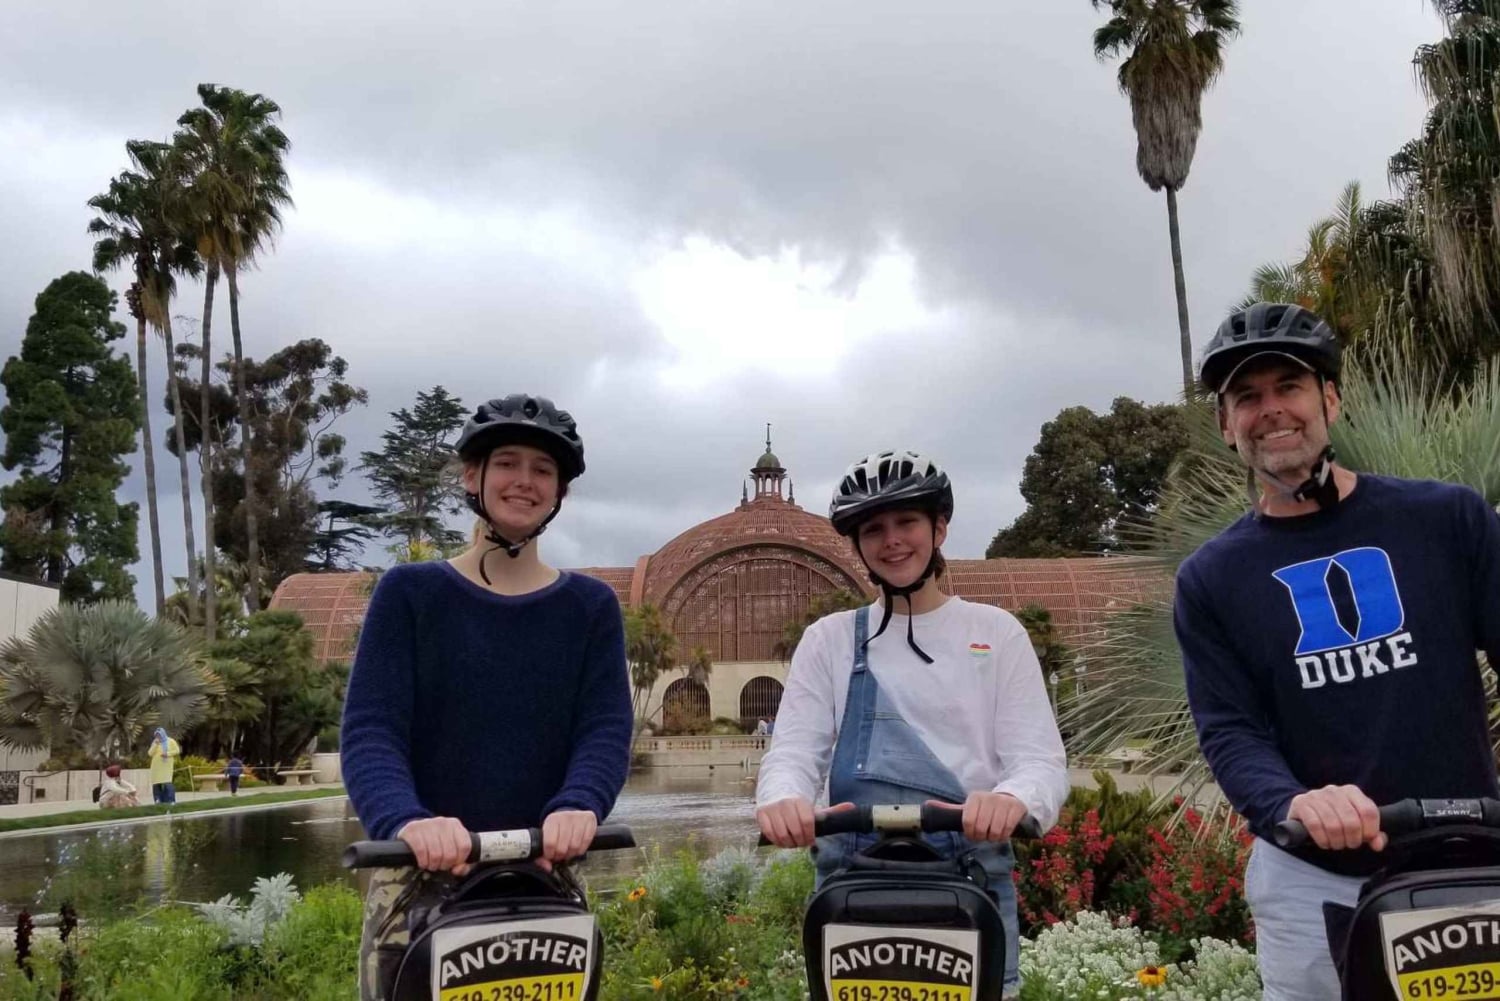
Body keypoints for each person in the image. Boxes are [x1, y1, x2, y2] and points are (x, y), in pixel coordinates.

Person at [1176, 303, 1500, 1000]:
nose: (1271, 410)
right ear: (1227, 426)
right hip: (1309, 877)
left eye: (1288, 386)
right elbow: (1230, 728)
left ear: (1330, 397)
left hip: (1465, 855)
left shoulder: (1446, 518)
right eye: (1247, 397)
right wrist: (1294, 799)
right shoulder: (1211, 578)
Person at [341, 393, 634, 1001]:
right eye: (507, 462)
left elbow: (604, 728)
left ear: (560, 492)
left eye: (543, 469)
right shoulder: (411, 593)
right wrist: (407, 819)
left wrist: (581, 803)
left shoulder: (590, 607)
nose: (524, 481)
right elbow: (372, 731)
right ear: (472, 476)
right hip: (421, 876)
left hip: (542, 872)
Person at [756, 450, 1068, 998]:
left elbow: (1038, 758)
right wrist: (783, 798)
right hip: (853, 874)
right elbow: (795, 749)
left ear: (939, 528)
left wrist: (1014, 798)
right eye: (873, 529)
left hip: (971, 871)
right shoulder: (830, 639)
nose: (892, 540)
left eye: (907, 522)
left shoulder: (996, 632)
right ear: (857, 545)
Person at [147, 728, 179, 805]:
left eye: (159, 734)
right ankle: (158, 800)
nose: (158, 736)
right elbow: (150, 753)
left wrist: (167, 754)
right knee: (156, 783)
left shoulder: (171, 741)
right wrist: (155, 744)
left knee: (167, 783)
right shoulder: (155, 742)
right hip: (156, 767)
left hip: (166, 766)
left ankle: (171, 800)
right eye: (157, 735)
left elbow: (177, 750)